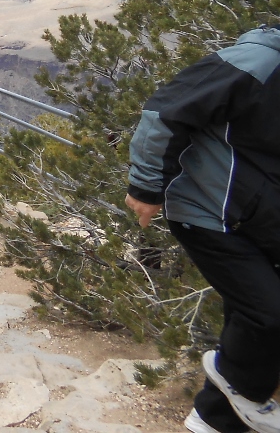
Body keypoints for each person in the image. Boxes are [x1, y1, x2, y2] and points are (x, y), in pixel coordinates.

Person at [124, 27, 280, 433]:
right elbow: (165, 110)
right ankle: (239, 386)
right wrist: (146, 186)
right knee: (269, 314)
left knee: (252, 314)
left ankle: (213, 420)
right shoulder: (260, 61)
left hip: (259, 218)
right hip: (210, 212)